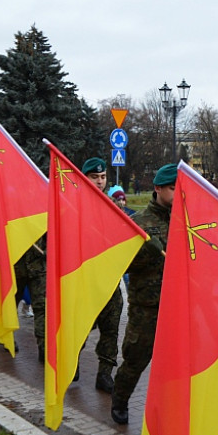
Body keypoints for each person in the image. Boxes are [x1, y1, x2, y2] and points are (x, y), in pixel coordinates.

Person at [110, 163, 177, 424]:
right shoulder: (139, 223)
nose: (179, 193)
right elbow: (122, 264)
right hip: (147, 306)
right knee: (136, 358)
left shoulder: (187, 220)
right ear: (158, 188)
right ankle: (120, 398)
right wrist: (144, 255)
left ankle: (171, 411)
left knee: (176, 366)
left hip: (177, 306)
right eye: (173, 188)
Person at [82, 157, 124, 393]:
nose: (100, 181)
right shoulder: (74, 206)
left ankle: (105, 373)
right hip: (86, 281)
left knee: (111, 328)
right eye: (94, 177)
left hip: (110, 280)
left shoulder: (112, 206)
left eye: (103, 177)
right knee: (81, 327)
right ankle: (71, 361)